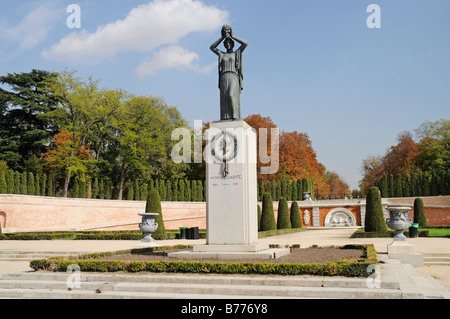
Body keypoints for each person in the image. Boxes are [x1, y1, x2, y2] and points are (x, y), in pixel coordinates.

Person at [210, 25, 247, 121]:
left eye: (230, 42)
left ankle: (235, 115)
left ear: (233, 44)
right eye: (226, 43)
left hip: (233, 76)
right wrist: (222, 37)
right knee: (225, 97)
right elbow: (212, 47)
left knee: (231, 94)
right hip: (223, 76)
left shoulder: (237, 53)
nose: (228, 44)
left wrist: (232, 36)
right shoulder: (222, 54)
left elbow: (245, 44)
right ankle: (225, 117)